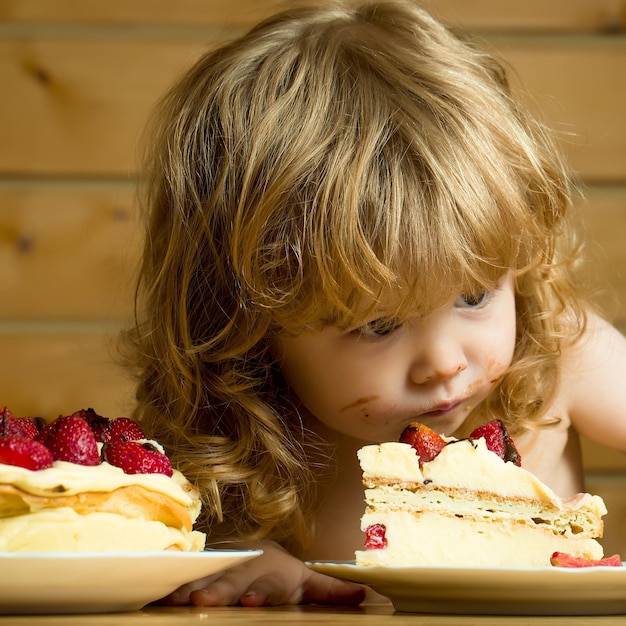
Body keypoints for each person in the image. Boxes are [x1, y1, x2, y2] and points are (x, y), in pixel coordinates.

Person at [123, 0, 626, 607]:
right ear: (247, 329)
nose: (443, 363)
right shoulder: (234, 446)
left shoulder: (558, 353)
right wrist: (244, 562)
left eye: (473, 294)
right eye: (378, 324)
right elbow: (157, 556)